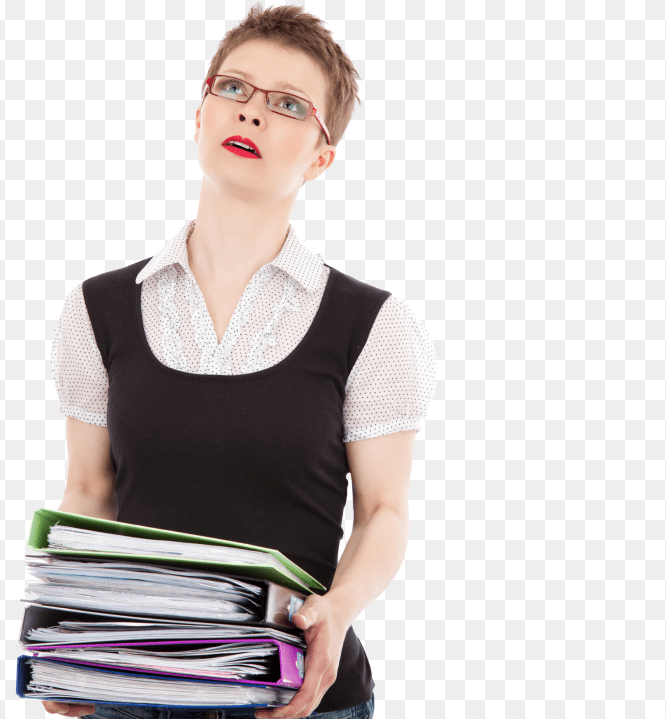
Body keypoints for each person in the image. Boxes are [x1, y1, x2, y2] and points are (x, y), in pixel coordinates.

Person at [42, 4, 437, 719]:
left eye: (288, 104)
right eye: (234, 88)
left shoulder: (372, 322)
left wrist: (338, 608)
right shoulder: (97, 307)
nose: (251, 114)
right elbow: (89, 490)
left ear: (322, 156)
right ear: (200, 113)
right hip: (135, 687)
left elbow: (384, 512)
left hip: (296, 696)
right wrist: (62, 625)